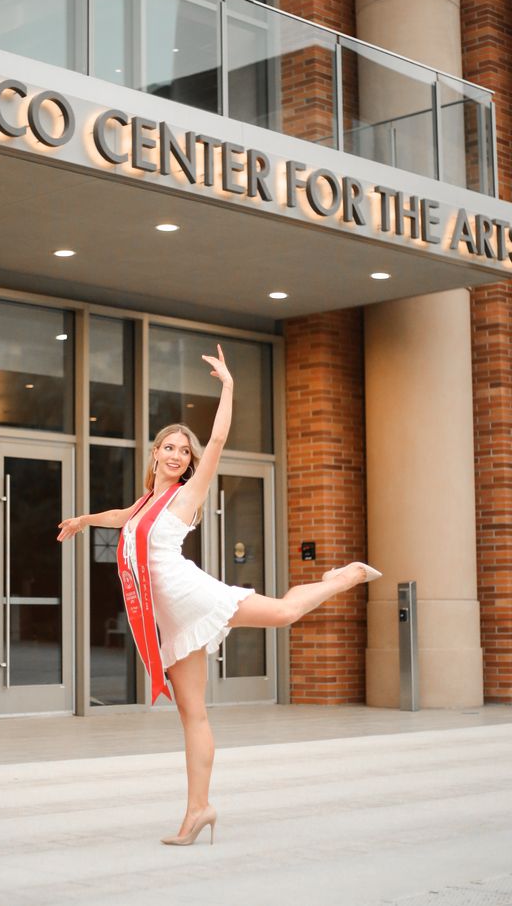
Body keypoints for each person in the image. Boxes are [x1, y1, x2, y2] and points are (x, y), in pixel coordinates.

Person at [57, 344, 380, 846]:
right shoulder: (146, 501)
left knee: (287, 614)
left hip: (194, 597)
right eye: (170, 447)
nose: (178, 455)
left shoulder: (189, 493)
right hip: (173, 619)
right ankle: (198, 810)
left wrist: (229, 386)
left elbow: (221, 436)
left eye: (184, 451)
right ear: (156, 454)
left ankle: (337, 580)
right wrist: (85, 520)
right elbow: (124, 518)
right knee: (193, 715)